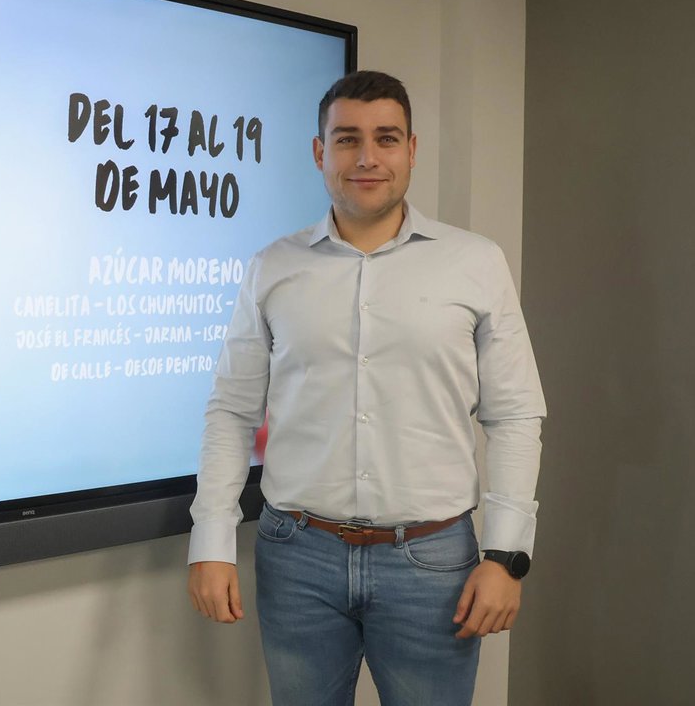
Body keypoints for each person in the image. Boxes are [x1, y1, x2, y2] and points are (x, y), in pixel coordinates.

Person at [187, 71, 545, 705]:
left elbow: (515, 414)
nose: (367, 157)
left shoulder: (475, 262)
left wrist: (506, 554)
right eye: (347, 139)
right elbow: (232, 411)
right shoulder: (273, 267)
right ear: (320, 151)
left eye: (386, 138)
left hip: (433, 563)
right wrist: (210, 540)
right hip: (296, 557)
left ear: (412, 149)